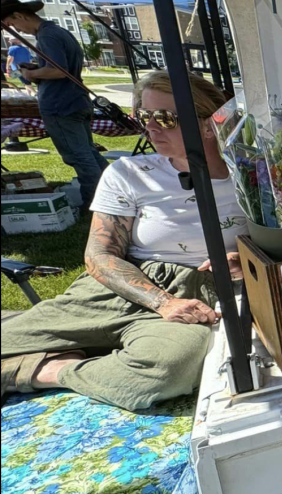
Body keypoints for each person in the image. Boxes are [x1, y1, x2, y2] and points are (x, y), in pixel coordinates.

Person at [1, 70, 247, 411]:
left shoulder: (251, 178)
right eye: (143, 116)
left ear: (210, 123)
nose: (151, 127)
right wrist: (163, 302)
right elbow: (100, 255)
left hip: (199, 298)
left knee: (169, 370)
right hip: (122, 288)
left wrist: (245, 260)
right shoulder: (129, 173)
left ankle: (48, 369)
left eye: (164, 117)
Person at [1, 0, 109, 205]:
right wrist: (37, 70)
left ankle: (97, 204)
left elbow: (58, 71)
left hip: (61, 105)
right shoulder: (58, 32)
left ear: (19, 15)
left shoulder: (47, 36)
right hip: (75, 101)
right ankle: (113, 194)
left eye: (12, 24)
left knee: (79, 157)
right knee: (88, 153)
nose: (16, 30)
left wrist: (32, 74)